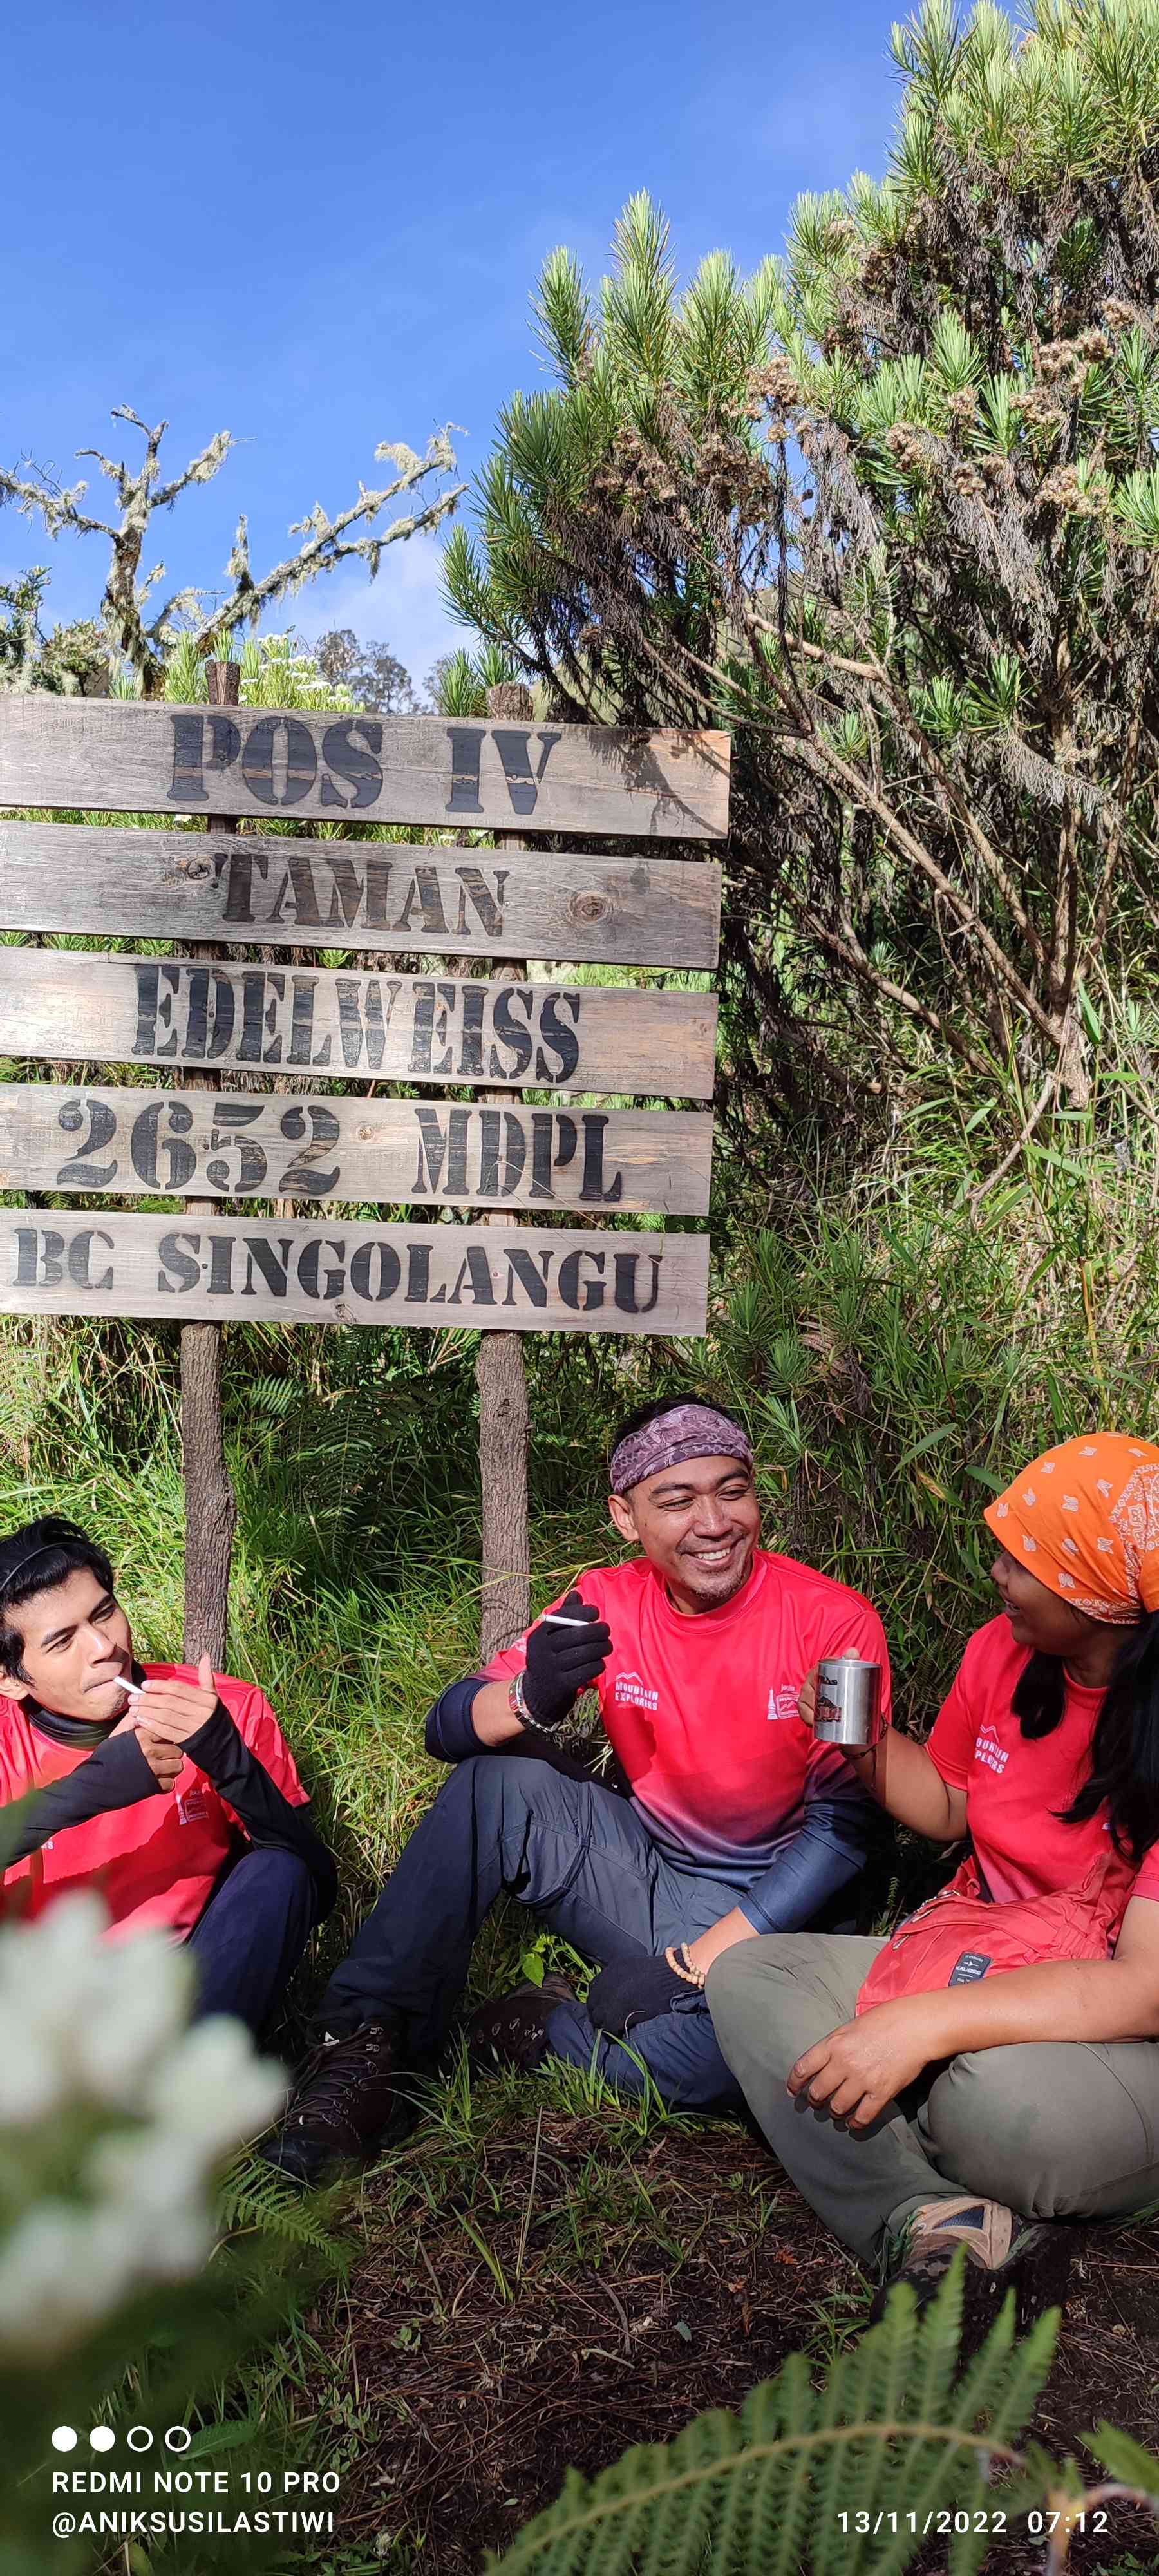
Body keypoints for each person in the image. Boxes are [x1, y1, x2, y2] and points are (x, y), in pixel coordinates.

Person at [264, 1396, 889, 2185]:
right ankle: (361, 2050)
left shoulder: (831, 1622)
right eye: (677, 1499)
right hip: (650, 1871)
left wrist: (691, 1965)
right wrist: (532, 1698)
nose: (715, 1522)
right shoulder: (606, 1600)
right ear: (625, 1518)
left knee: (723, 2069)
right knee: (497, 1779)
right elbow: (446, 1727)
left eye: (732, 1490)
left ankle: (536, 2027)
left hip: (776, 1916)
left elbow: (842, 1835)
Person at [706, 1432, 1159, 2324]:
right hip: (988, 1943)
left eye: (1023, 1562)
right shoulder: (1003, 1650)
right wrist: (866, 1744)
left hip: (1121, 2020)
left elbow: (1144, 1990)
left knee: (989, 2106)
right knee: (750, 1976)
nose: (996, 1573)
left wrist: (924, 2024)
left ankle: (927, 2120)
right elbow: (952, 1808)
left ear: (1100, 1597)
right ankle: (925, 2218)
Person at [0, 1517, 335, 2037]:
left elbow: (312, 1888)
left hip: (184, 1997)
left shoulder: (222, 1707)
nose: (102, 1647)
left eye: (104, 1613)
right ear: (10, 1680)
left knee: (280, 1871)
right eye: (63, 1641)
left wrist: (227, 1756)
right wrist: (90, 1789)